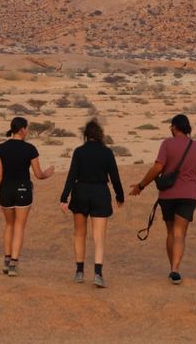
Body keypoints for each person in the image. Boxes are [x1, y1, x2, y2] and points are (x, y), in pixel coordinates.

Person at [129, 114, 196, 285]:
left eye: (171, 128)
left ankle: (171, 269)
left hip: (167, 196)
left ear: (175, 127)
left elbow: (158, 167)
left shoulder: (167, 144)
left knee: (171, 232)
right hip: (188, 196)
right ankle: (175, 269)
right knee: (180, 234)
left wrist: (141, 186)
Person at [59, 119, 124, 288]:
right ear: (100, 135)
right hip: (100, 194)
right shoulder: (107, 152)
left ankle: (79, 272)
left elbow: (71, 176)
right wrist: (120, 196)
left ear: (86, 135)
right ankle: (98, 274)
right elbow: (115, 177)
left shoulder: (79, 152)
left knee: (79, 233)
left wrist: (64, 197)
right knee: (99, 237)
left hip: (80, 192)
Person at [0, 116, 54, 276]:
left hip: (5, 190)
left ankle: (6, 261)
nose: (28, 131)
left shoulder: (0, 148)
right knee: (19, 226)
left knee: (9, 225)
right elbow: (38, 174)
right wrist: (48, 173)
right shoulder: (30, 149)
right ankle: (13, 263)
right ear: (22, 130)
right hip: (23, 190)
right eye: (27, 128)